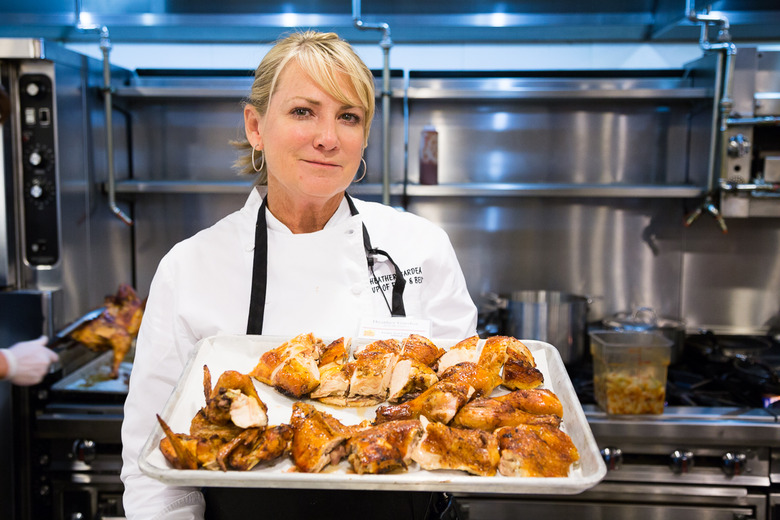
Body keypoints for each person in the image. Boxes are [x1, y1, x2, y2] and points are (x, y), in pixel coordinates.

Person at [121, 30, 477, 520]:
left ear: (364, 137)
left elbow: (465, 403)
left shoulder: (422, 246)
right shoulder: (190, 267)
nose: (327, 138)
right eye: (303, 111)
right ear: (255, 126)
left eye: (348, 117)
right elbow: (151, 455)